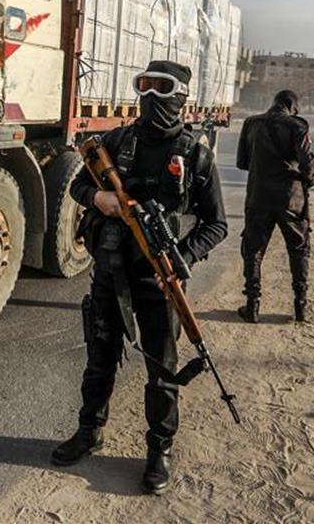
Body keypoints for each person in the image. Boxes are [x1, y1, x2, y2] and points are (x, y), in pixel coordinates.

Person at [52, 60, 228, 494]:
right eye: (143, 86)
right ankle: (89, 430)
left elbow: (216, 224)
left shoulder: (195, 154)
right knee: (99, 356)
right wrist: (101, 197)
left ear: (181, 96)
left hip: (159, 282)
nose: (150, 96)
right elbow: (77, 185)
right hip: (110, 272)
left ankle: (159, 450)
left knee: (162, 370)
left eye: (161, 88)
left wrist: (179, 258)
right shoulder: (117, 141)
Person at [235, 89, 314, 325]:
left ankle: (252, 306)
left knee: (253, 250)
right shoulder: (298, 126)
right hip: (291, 197)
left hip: (258, 195)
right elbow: (308, 165)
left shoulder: (251, 123)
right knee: (299, 248)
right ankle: (300, 307)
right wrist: (305, 180)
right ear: (292, 106)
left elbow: (242, 163)